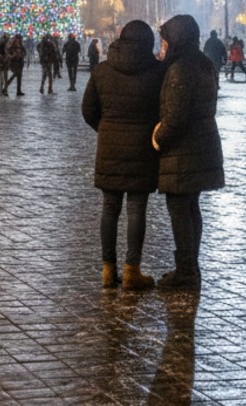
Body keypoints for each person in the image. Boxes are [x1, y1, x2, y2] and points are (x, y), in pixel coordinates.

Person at [82, 20, 165, 290]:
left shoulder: (103, 70)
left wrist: (105, 130)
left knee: (110, 209)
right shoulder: (156, 71)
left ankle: (108, 270)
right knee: (136, 209)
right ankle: (132, 270)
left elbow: (88, 110)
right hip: (142, 149)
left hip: (109, 148)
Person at [152, 15, 225, 290]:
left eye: (166, 40)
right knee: (191, 208)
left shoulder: (179, 68)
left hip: (184, 150)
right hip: (203, 144)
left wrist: (158, 138)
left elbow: (177, 116)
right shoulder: (203, 63)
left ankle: (186, 271)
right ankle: (191, 267)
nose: (163, 46)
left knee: (180, 209)